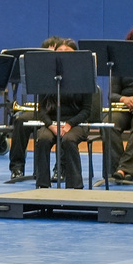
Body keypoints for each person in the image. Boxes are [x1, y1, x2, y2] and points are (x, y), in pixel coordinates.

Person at [33, 39, 90, 189]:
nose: (64, 55)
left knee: (68, 140)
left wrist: (70, 124)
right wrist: (50, 125)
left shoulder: (84, 75)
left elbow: (86, 110)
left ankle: (75, 186)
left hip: (76, 123)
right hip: (52, 123)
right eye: (60, 52)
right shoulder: (47, 76)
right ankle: (43, 185)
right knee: (43, 139)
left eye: (68, 52)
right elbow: (41, 109)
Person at [7, 36, 64, 179]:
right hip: (44, 111)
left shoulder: (69, 70)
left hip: (64, 113)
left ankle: (60, 169)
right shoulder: (40, 71)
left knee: (63, 128)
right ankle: (17, 167)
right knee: (21, 121)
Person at [104, 27, 133, 181]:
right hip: (124, 105)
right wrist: (124, 99)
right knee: (108, 124)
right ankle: (119, 169)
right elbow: (112, 95)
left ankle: (124, 169)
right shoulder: (120, 65)